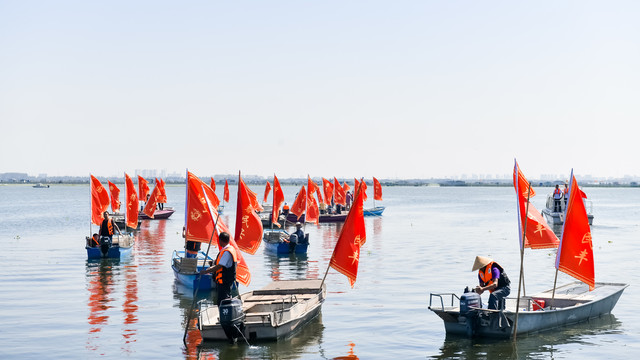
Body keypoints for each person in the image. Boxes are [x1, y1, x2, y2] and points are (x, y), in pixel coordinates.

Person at [200, 232, 237, 305]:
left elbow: (220, 266)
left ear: (220, 240)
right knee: (222, 300)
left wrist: (206, 271)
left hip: (225, 280)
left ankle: (225, 315)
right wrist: (213, 263)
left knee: (223, 300)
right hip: (223, 281)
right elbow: (221, 262)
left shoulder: (227, 252)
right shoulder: (227, 249)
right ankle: (222, 313)